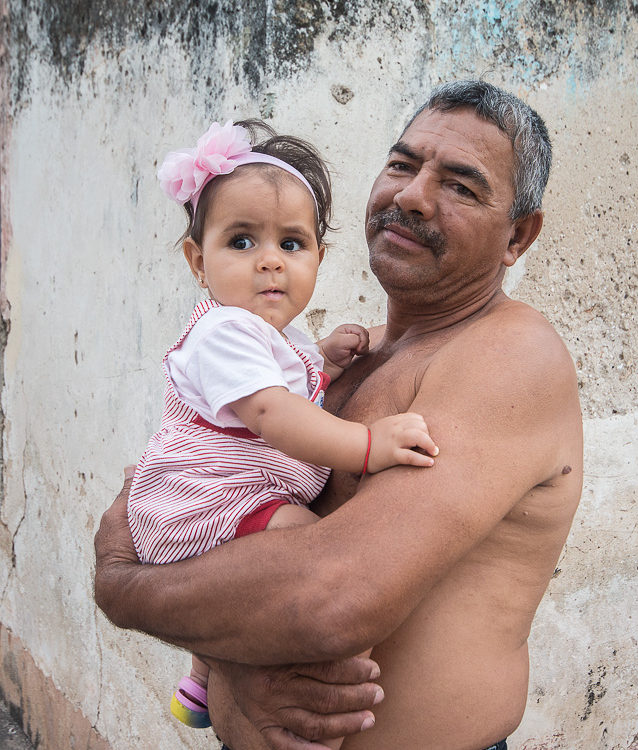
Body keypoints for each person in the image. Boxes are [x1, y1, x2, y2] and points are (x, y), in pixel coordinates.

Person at [95, 80, 583, 750]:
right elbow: (169, 481)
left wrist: (125, 589)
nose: (412, 195)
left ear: (518, 236)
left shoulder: (510, 356)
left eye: (461, 187)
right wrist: (240, 655)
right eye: (403, 165)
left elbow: (329, 598)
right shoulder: (338, 359)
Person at [127, 119, 438, 738]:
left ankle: (200, 677)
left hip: (231, 495)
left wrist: (320, 358)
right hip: (207, 501)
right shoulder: (223, 330)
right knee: (311, 552)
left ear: (318, 258)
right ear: (197, 260)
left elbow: (278, 384)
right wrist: (367, 446)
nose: (269, 261)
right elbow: (270, 413)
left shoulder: (268, 335)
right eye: (241, 242)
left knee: (260, 573)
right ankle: (264, 669)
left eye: (292, 244)